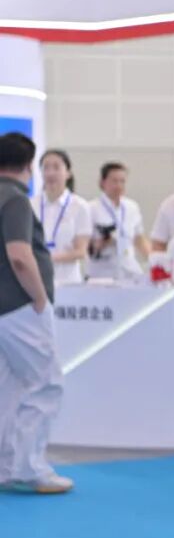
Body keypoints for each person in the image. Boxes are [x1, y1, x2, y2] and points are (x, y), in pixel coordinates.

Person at [0, 133, 71, 494]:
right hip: (19, 307)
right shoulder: (15, 199)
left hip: (4, 310)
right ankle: (31, 468)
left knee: (9, 387)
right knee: (45, 383)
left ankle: (6, 466)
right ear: (30, 166)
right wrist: (40, 298)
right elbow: (19, 255)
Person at [33, 149, 92, 285]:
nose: (50, 173)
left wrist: (47, 258)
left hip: (68, 281)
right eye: (46, 168)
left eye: (56, 167)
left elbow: (81, 251)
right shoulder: (31, 204)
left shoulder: (80, 206)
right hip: (36, 281)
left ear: (68, 173)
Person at [87, 162, 150, 279]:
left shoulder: (132, 207)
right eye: (114, 181)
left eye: (122, 181)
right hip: (102, 271)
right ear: (102, 182)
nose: (119, 185)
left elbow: (139, 239)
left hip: (129, 269)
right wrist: (103, 242)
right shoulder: (91, 208)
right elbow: (85, 244)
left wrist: (153, 260)